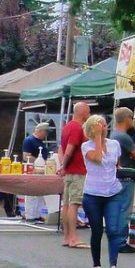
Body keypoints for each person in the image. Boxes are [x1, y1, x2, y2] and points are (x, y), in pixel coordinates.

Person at [79, 114, 124, 268]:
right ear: (92, 128)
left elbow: (116, 164)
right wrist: (98, 137)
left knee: (113, 229)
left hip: (113, 191)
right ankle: (96, 264)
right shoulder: (86, 146)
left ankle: (114, 264)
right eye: (100, 125)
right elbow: (97, 158)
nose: (103, 128)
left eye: (105, 125)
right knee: (97, 229)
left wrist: (122, 170)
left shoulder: (115, 144)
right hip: (93, 193)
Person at [111, 106, 135, 256]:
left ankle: (116, 239)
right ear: (127, 119)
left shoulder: (113, 135)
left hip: (116, 176)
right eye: (131, 117)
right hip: (126, 176)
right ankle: (121, 241)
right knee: (125, 208)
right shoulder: (123, 137)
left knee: (117, 208)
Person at [59, 101, 90, 249]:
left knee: (66, 204)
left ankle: (66, 237)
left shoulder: (67, 126)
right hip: (77, 171)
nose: (89, 115)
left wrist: (62, 166)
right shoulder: (77, 128)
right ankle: (73, 237)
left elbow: (61, 149)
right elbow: (70, 149)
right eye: (88, 112)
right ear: (82, 113)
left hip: (69, 172)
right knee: (74, 204)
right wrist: (63, 165)